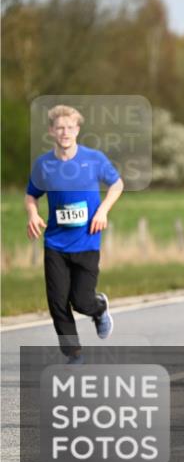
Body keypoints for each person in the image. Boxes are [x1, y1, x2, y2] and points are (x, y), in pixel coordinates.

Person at [25, 105, 122, 363]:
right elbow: (31, 195)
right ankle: (74, 354)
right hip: (55, 243)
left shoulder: (94, 159)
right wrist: (33, 214)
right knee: (57, 303)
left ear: (77, 130)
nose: (65, 132)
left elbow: (117, 184)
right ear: (51, 131)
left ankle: (98, 308)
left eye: (70, 127)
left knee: (81, 302)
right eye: (60, 128)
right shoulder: (44, 164)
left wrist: (102, 211)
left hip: (87, 241)